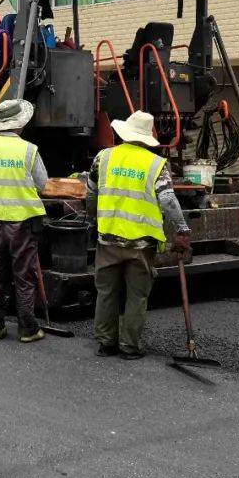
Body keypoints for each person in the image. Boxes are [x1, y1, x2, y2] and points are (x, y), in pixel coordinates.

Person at [87, 110, 191, 359]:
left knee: (106, 292)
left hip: (108, 238)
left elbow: (90, 194)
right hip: (141, 244)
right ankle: (129, 347)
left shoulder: (103, 158)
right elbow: (167, 200)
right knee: (136, 295)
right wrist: (182, 230)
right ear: (147, 137)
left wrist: (94, 218)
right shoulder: (156, 164)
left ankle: (106, 343)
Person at [0, 99, 47, 343]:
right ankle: (27, 329)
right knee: (24, 277)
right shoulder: (29, 149)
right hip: (22, 225)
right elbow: (42, 184)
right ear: (20, 124)